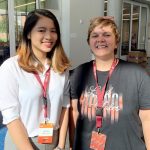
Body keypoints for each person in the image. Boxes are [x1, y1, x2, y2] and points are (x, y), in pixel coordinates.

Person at [69, 16, 150, 150]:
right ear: (89, 42)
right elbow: (74, 113)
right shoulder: (78, 74)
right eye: (95, 35)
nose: (100, 39)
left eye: (107, 35)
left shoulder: (137, 74)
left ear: (116, 42)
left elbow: (147, 119)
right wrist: (72, 145)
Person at [0, 9, 70, 150]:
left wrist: (61, 145)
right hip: (22, 142)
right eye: (41, 30)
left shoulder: (61, 68)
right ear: (28, 34)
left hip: (54, 141)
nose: (48, 36)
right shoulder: (11, 67)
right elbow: (11, 116)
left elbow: (65, 107)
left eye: (53, 31)